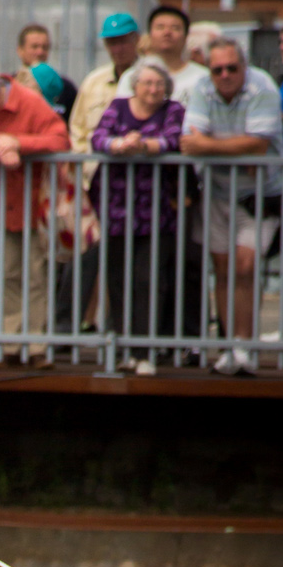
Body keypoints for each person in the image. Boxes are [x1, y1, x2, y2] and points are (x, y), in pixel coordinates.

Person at [181, 38, 283, 375]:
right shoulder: (201, 88)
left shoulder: (262, 87)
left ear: (244, 67)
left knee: (246, 267)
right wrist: (235, 148)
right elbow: (189, 141)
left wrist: (209, 145)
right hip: (217, 192)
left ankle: (246, 344)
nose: (224, 74)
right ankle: (229, 345)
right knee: (223, 270)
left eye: (231, 68)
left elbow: (258, 143)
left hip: (259, 194)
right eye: (217, 69)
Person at [0, 68, 69, 360]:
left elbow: (60, 139)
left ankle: (35, 346)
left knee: (35, 275)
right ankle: (9, 345)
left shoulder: (31, 103)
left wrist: (19, 143)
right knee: (5, 275)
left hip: (33, 204)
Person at [90, 60, 184, 366]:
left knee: (149, 278)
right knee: (117, 278)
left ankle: (146, 350)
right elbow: (98, 139)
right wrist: (119, 144)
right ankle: (123, 346)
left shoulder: (173, 110)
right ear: (135, 86)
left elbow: (173, 140)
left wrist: (144, 145)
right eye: (147, 83)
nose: (153, 89)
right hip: (116, 207)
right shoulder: (117, 107)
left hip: (155, 209)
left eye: (159, 84)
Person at [71, 11, 142, 159]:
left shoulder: (152, 79)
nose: (117, 49)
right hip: (97, 175)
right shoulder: (93, 81)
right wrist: (87, 164)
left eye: (122, 41)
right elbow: (77, 128)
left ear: (137, 39)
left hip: (140, 173)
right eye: (112, 43)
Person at [116, 5, 207, 106]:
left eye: (175, 28)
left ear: (186, 36)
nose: (167, 32)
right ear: (149, 35)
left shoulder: (203, 77)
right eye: (160, 27)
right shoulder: (131, 77)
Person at [16, 24, 77, 121]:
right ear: (20, 50)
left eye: (45, 47)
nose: (40, 52)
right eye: (34, 46)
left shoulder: (64, 86)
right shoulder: (11, 84)